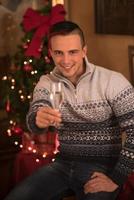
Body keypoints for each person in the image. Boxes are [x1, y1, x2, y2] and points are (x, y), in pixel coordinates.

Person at [4, 20, 134, 200]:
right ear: (50, 54)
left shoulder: (112, 81)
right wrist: (37, 119)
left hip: (102, 169)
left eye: (72, 52)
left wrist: (116, 178)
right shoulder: (47, 82)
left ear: (84, 51)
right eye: (59, 53)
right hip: (62, 165)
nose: (65, 61)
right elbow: (36, 112)